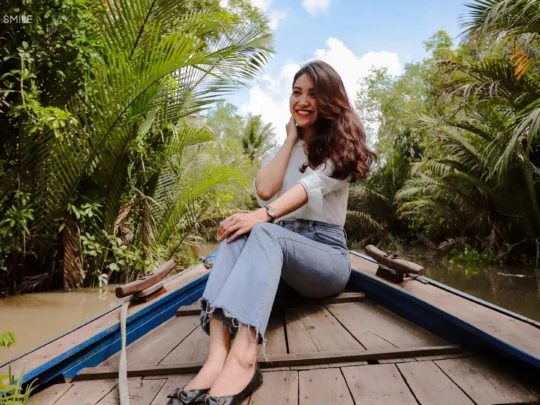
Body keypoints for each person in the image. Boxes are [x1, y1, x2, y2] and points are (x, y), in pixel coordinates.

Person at [166, 60, 376, 405]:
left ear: (330, 100)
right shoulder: (289, 146)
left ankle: (245, 360)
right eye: (297, 93)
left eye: (313, 93)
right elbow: (265, 189)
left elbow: (307, 188)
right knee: (237, 232)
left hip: (324, 257)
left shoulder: (341, 149)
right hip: (277, 254)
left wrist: (263, 217)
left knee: (263, 230)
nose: (302, 101)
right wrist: (290, 138)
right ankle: (216, 357)